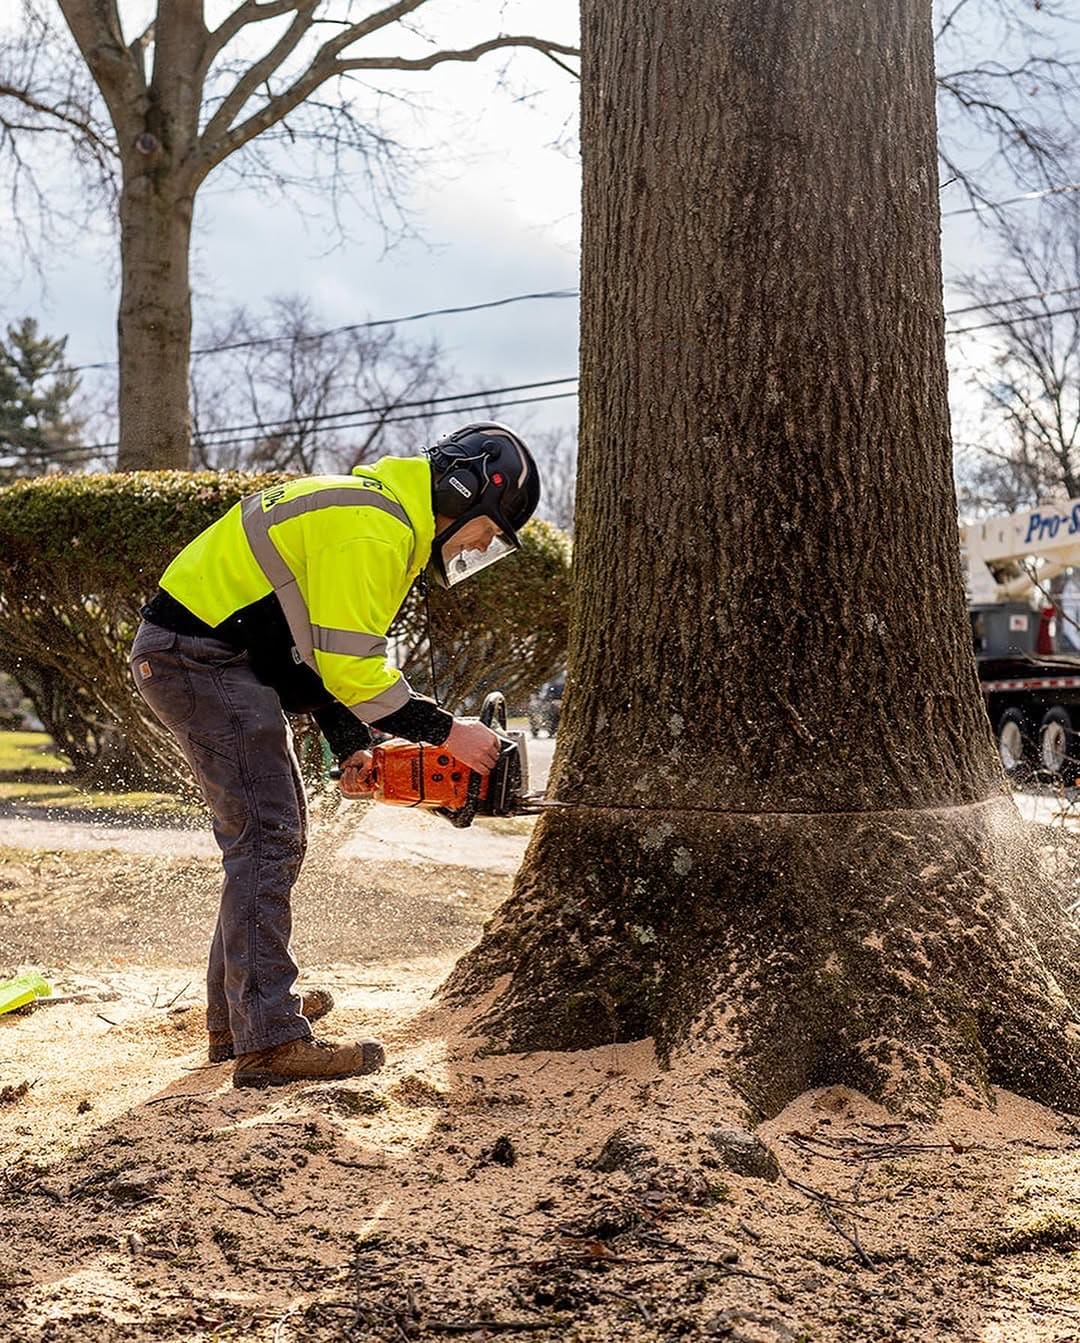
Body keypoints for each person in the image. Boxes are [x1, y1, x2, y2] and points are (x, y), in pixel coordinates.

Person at [129, 423, 540, 1088]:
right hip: (200, 657)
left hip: (210, 657)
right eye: (489, 531)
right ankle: (268, 1038)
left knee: (267, 838)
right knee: (269, 835)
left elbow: (312, 652)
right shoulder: (373, 526)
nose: (482, 547)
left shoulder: (377, 516)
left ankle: (240, 1017)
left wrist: (351, 743)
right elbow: (350, 669)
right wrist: (447, 732)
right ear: (464, 490)